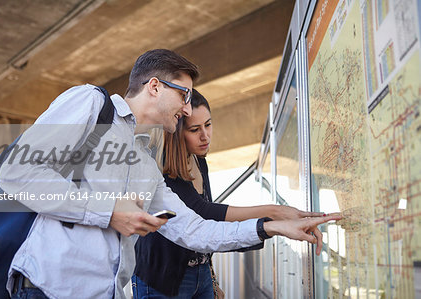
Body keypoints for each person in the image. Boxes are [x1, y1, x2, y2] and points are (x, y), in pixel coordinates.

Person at [0, 49, 341, 299]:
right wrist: (109, 212)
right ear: (154, 87)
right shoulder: (91, 103)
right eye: (184, 95)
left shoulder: (146, 166)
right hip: (47, 289)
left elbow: (195, 230)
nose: (188, 108)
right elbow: (17, 172)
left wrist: (269, 226)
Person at [132, 89, 328, 298]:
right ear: (178, 132)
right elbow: (203, 213)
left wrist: (211, 277)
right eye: (194, 129)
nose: (205, 136)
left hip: (201, 274)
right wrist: (276, 213)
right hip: (162, 280)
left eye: (208, 125)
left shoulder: (200, 161)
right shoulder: (163, 169)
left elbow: (209, 230)